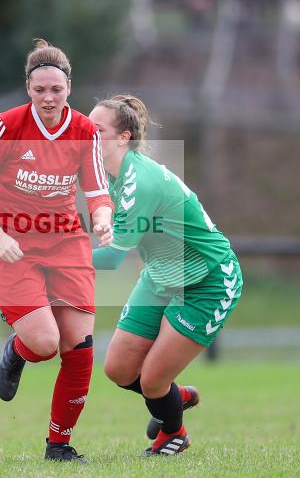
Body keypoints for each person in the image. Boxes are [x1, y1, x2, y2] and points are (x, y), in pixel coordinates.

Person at [0, 39, 114, 463]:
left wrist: (102, 218)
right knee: (44, 343)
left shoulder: (86, 131)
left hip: (66, 243)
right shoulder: (4, 126)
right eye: (40, 89)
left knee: (79, 349)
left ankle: (58, 445)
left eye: (56, 90)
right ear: (28, 88)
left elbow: (98, 192)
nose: (48, 98)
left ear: (69, 89)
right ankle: (18, 349)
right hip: (10, 245)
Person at [88, 94, 243, 456]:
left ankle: (173, 434)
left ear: (123, 137)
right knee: (119, 369)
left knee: (152, 380)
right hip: (161, 275)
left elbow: (111, 258)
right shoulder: (109, 174)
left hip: (208, 281)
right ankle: (174, 398)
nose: (86, 136)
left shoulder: (139, 181)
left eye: (96, 130)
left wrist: (51, 260)